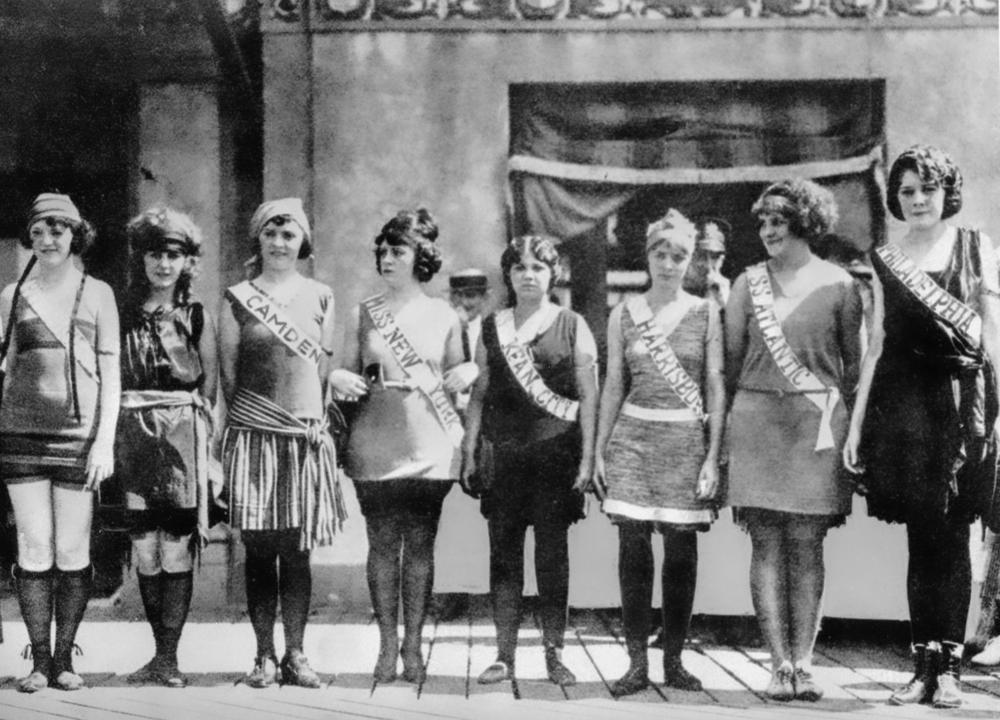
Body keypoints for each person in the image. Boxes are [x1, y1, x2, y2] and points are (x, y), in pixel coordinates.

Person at [844, 145, 1000, 709]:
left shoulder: (974, 246)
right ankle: (920, 667)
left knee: (955, 536)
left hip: (963, 404)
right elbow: (877, 344)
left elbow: (992, 334)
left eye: (927, 190)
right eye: (907, 191)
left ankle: (951, 669)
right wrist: (858, 423)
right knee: (920, 537)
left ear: (946, 193)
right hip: (906, 407)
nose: (917, 200)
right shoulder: (885, 258)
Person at [725, 179, 862, 702]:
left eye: (777, 221)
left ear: (805, 222)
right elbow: (731, 365)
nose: (767, 232)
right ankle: (777, 664)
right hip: (758, 421)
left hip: (817, 427)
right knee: (765, 545)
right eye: (762, 223)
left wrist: (852, 433)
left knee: (807, 546)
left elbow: (853, 367)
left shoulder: (840, 286)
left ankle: (804, 662)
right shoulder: (747, 284)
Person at [330, 209, 473, 684]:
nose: (387, 259)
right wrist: (338, 377)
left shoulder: (445, 315)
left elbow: (459, 380)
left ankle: (414, 648)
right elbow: (344, 372)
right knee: (381, 544)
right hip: (375, 437)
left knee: (420, 547)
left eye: (399, 251)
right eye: (383, 251)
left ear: (421, 257)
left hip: (430, 442)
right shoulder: (363, 312)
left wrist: (471, 372)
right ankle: (387, 648)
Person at [595, 209, 724, 696]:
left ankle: (673, 659)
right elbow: (612, 385)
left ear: (691, 260)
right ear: (646, 256)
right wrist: (599, 453)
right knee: (632, 549)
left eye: (679, 256)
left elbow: (714, 383)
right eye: (660, 254)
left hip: (686, 442)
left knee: (681, 552)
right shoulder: (624, 313)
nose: (669, 264)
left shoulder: (706, 312)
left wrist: (712, 455)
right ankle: (634, 664)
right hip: (632, 440)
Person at [462, 235, 599, 687]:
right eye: (519, 267)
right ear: (508, 275)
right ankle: (504, 654)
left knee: (551, 556)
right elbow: (479, 393)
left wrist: (589, 457)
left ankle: (554, 653)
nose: (528, 275)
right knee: (503, 555)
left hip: (556, 454)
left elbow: (589, 396)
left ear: (552, 274)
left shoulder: (572, 323)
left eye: (538, 268)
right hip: (503, 457)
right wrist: (469, 448)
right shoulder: (491, 326)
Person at [220, 198, 345, 689]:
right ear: (259, 239)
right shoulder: (235, 297)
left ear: (302, 243)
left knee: (297, 550)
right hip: (254, 436)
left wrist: (314, 420)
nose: (279, 243)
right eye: (270, 234)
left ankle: (296, 654)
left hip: (301, 439)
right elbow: (229, 377)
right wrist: (248, 424)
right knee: (258, 549)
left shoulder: (320, 296)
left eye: (288, 235)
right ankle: (263, 656)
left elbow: (321, 372)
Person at [0, 193, 121, 692]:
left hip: (80, 438)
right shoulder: (10, 294)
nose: (48, 240)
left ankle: (66, 657)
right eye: (40, 230)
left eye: (59, 230)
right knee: (33, 545)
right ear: (30, 236)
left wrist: (104, 443)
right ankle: (39, 661)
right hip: (20, 436)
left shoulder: (98, 293)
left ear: (76, 235)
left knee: (71, 547)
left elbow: (112, 375)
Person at [116, 207, 218, 688]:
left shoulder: (196, 316)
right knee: (144, 553)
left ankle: (170, 658)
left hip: (181, 437)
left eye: (173, 254)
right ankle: (157, 653)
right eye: (155, 253)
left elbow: (211, 386)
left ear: (186, 262)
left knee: (176, 551)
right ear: (142, 259)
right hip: (132, 435)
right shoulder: (121, 313)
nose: (163, 264)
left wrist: (206, 452)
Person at [433, 268, 493, 619]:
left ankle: (485, 590)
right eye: (458, 295)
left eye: (472, 295)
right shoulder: (440, 326)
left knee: (486, 513)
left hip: (487, 428)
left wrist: (476, 370)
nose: (464, 303)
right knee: (451, 514)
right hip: (447, 424)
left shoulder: (496, 328)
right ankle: (450, 593)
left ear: (484, 297)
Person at [684, 217, 731, 307]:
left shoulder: (726, 291)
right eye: (700, 255)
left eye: (714, 256)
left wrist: (722, 299)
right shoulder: (672, 287)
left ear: (722, 259)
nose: (707, 264)